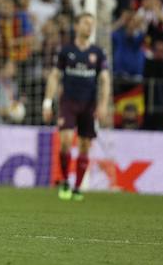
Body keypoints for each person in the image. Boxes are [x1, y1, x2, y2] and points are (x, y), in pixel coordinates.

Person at [42, 13, 111, 201]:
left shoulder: (98, 53)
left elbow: (105, 80)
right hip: (68, 102)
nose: (89, 27)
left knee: (85, 145)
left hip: (89, 105)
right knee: (65, 141)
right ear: (77, 25)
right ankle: (65, 181)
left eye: (92, 24)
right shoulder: (66, 51)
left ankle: (78, 187)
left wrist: (103, 105)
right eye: (86, 23)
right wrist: (47, 102)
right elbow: (55, 76)